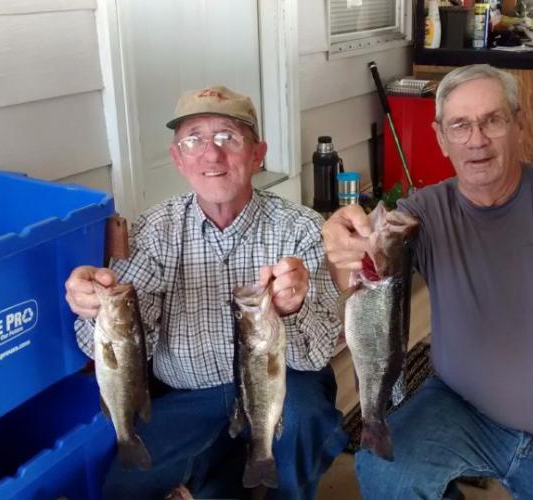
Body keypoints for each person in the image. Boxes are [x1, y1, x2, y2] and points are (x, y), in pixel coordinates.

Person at [323, 65, 533, 499]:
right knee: (385, 472)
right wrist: (344, 248)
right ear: (440, 137)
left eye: (493, 120)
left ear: (519, 123)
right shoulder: (425, 213)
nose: (477, 139)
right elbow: (358, 276)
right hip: (458, 410)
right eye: (460, 125)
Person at [65, 85, 347, 499]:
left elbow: (320, 353)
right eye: (194, 140)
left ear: (257, 154)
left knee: (304, 421)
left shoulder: (300, 228)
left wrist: (296, 307)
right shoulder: (155, 230)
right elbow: (113, 350)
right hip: (188, 396)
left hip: (282, 389)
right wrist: (93, 309)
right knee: (124, 488)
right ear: (178, 158)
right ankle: (220, 472)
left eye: (228, 138)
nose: (211, 155)